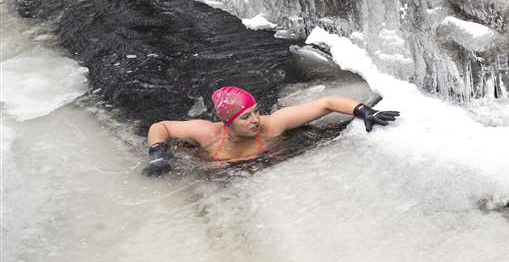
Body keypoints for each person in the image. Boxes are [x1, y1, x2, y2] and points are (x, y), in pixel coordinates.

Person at [144, 85, 399, 173]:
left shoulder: (273, 125)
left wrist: (365, 111)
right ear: (228, 123)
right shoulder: (207, 133)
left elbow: (327, 103)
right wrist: (158, 153)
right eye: (246, 117)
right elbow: (160, 126)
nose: (256, 119)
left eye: (256, 111)